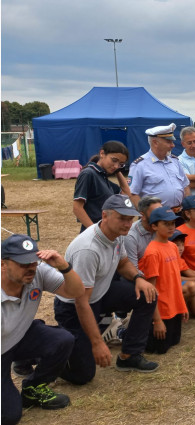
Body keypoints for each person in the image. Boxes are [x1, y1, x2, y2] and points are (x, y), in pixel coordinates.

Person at [54, 194, 159, 385]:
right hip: (75, 307)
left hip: (99, 294)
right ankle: (45, 344)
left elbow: (123, 263)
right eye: (122, 218)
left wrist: (138, 278)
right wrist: (97, 343)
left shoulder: (116, 235)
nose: (128, 224)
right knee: (83, 375)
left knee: (147, 294)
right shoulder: (88, 249)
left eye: (130, 219)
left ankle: (129, 356)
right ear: (105, 215)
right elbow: (81, 301)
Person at [2, 235, 83, 423]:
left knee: (62, 340)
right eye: (23, 263)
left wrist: (64, 267)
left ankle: (33, 387)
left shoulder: (37, 273)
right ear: (3, 264)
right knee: (9, 415)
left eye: (33, 261)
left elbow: (76, 291)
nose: (30, 267)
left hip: (18, 334)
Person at [139, 207, 190, 354]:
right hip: (161, 312)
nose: (171, 227)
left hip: (174, 309)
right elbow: (151, 290)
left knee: (174, 341)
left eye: (173, 223)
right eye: (166, 224)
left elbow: (175, 281)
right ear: (154, 226)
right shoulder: (152, 253)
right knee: (159, 349)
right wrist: (157, 320)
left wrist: (182, 307)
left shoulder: (173, 247)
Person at [128, 123, 190, 210]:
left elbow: (185, 186)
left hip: (179, 215)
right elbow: (133, 194)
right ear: (155, 143)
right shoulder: (140, 165)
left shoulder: (175, 161)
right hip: (156, 219)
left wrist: (187, 209)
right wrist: (147, 214)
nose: (173, 145)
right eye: (169, 142)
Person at [73, 141, 131, 232]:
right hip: (94, 233)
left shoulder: (103, 177)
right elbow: (77, 208)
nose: (116, 166)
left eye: (120, 164)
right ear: (102, 153)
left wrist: (117, 171)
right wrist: (94, 231)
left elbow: (127, 194)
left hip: (106, 232)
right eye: (114, 160)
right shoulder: (88, 174)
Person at [123, 196, 162, 269]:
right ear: (142, 215)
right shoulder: (130, 236)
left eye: (161, 211)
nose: (161, 216)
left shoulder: (162, 227)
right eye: (156, 212)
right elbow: (133, 270)